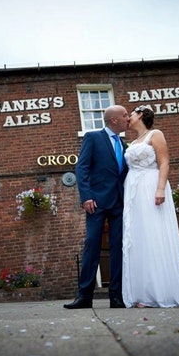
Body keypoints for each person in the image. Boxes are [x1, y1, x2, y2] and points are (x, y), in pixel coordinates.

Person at [122, 105, 179, 308]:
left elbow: (164, 162)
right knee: (138, 237)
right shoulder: (132, 142)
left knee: (155, 233)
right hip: (133, 191)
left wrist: (160, 189)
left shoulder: (155, 134)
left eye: (131, 114)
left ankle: (161, 291)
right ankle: (142, 293)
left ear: (141, 116)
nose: (128, 117)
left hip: (150, 185)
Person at [64, 105, 129, 309]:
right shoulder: (93, 137)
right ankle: (84, 296)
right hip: (96, 202)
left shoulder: (124, 144)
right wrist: (86, 196)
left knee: (118, 248)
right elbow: (81, 167)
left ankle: (116, 297)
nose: (128, 118)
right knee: (92, 246)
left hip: (120, 202)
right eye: (125, 115)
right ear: (114, 120)